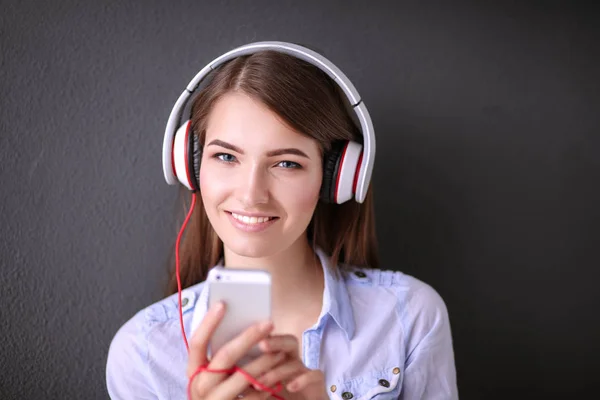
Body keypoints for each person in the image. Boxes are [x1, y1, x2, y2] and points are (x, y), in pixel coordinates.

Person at [106, 42, 458, 400]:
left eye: (287, 163)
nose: (251, 194)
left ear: (336, 178)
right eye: (226, 156)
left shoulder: (408, 317)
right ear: (192, 166)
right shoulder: (143, 353)